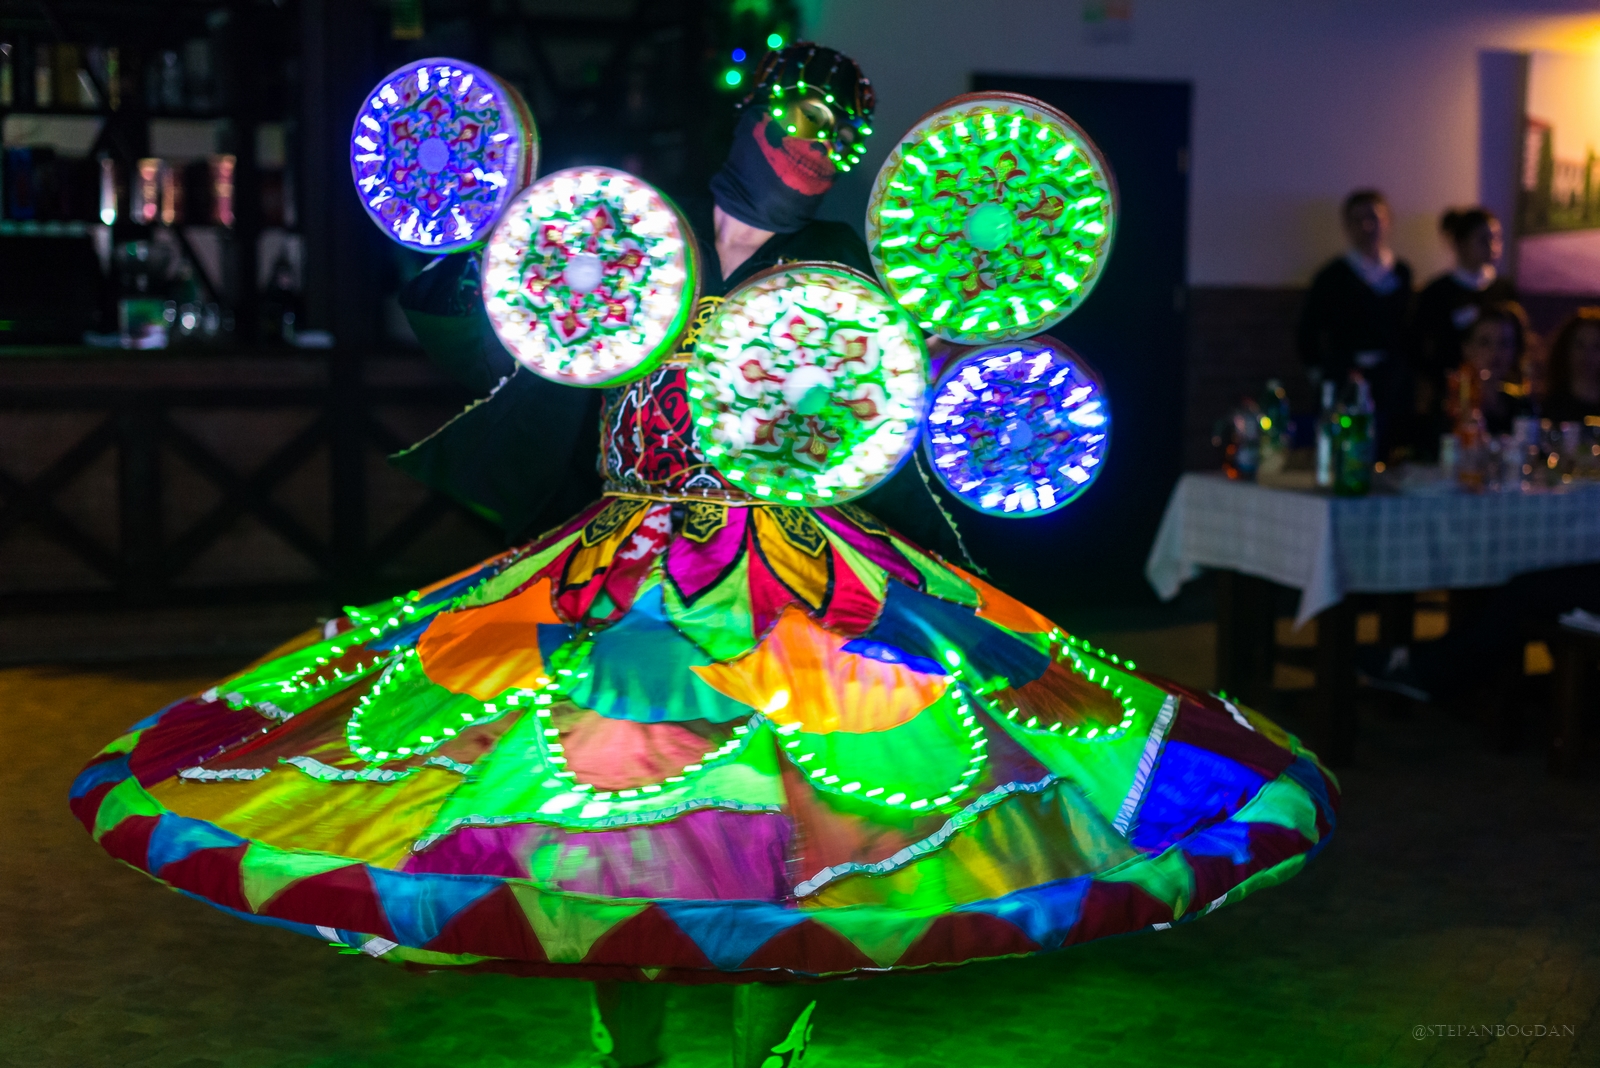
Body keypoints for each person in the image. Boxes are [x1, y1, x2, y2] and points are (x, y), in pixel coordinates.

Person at [68, 45, 1340, 1068]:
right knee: (604, 824)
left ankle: (766, 1048)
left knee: (798, 831)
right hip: (620, 571)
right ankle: (627, 1047)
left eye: (838, 141)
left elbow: (880, 413)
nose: (814, 151)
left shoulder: (852, 268)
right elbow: (501, 346)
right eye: (798, 125)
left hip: (800, 575)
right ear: (752, 119)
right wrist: (455, 261)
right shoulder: (630, 229)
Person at [1297, 189, 1415, 460]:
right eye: (1358, 220)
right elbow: (1308, 332)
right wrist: (1322, 374)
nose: (1367, 227)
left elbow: (1407, 329)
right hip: (1345, 378)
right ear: (1347, 226)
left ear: (1387, 221)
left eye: (1374, 218)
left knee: (1391, 449)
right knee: (1346, 449)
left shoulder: (1401, 272)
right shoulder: (1332, 276)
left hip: (1391, 382)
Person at [1411, 208, 1516, 456]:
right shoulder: (1437, 292)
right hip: (1451, 396)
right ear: (1460, 244)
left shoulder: (1504, 289)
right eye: (1483, 239)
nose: (1492, 246)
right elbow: (1418, 346)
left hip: (1496, 395)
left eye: (1496, 238)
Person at [1443, 301, 1531, 437]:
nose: (1495, 352)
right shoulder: (1451, 406)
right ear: (1466, 348)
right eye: (1484, 342)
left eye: (1504, 343)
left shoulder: (1522, 407)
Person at [1541, 307, 1600, 423]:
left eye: (1596, 346)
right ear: (1566, 349)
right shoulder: (1550, 406)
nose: (1587, 355)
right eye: (1579, 345)